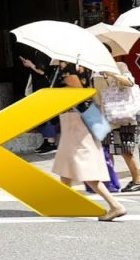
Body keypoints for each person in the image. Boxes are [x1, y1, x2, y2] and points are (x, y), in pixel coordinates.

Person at [51, 62, 127, 221]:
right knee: (67, 162)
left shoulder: (70, 67)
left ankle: (115, 205)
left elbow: (76, 89)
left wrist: (55, 92)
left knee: (81, 163)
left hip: (75, 118)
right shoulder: (81, 65)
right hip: (77, 118)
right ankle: (61, 202)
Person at [91, 55, 140, 192]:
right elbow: (96, 96)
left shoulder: (119, 66)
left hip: (124, 115)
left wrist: (112, 73)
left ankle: (137, 180)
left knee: (126, 150)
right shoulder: (94, 72)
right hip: (105, 116)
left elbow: (130, 82)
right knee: (106, 150)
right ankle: (110, 183)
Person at [20, 53, 59, 154]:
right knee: (42, 115)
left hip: (45, 88)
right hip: (41, 87)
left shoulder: (43, 54)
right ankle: (47, 140)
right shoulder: (39, 52)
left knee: (48, 115)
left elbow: (42, 71)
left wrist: (30, 65)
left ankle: (50, 142)